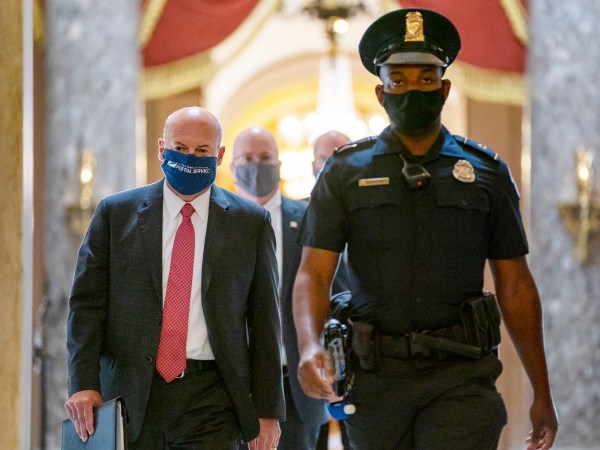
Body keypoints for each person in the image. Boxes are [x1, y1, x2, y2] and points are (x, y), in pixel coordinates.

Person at [293, 8, 559, 450]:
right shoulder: (344, 172)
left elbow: (515, 286)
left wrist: (542, 392)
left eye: (425, 77)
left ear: (445, 86)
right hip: (375, 380)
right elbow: (313, 274)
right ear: (381, 93)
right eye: (398, 79)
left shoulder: (486, 172)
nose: (412, 88)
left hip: (461, 377)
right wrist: (307, 345)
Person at [64, 106, 284, 450]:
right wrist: (83, 383)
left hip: (213, 397)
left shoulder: (250, 224)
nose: (189, 158)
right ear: (161, 148)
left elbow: (265, 321)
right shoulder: (115, 214)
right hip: (130, 392)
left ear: (220, 155)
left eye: (201, 151)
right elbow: (87, 306)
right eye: (180, 148)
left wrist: (268, 410)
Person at [230, 127, 328, 450]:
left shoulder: (311, 218)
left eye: (265, 158)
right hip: (231, 388)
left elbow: (333, 292)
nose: (256, 165)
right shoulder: (216, 221)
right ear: (232, 167)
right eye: (247, 158)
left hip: (296, 389)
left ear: (279, 164)